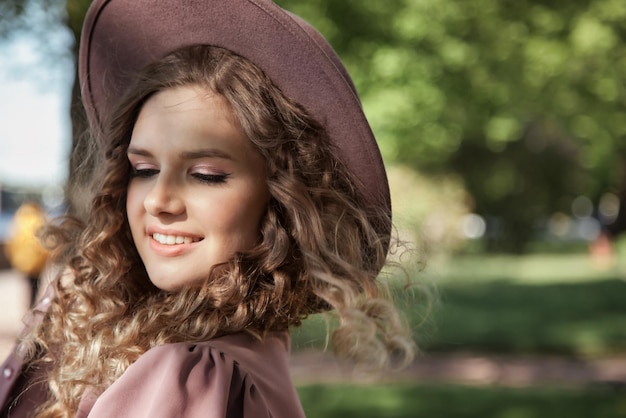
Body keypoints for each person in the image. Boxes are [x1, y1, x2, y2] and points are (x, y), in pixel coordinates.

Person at [0, 0, 416, 416]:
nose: (158, 200)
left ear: (281, 199)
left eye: (205, 175)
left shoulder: (191, 375)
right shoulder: (127, 322)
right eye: (143, 169)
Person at [4, 202, 49, 307]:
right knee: (35, 285)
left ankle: (28, 305)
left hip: (22, 261)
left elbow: (11, 240)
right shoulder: (39, 220)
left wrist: (13, 257)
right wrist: (46, 257)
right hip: (37, 261)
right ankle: (32, 304)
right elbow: (45, 243)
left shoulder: (19, 220)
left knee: (27, 284)